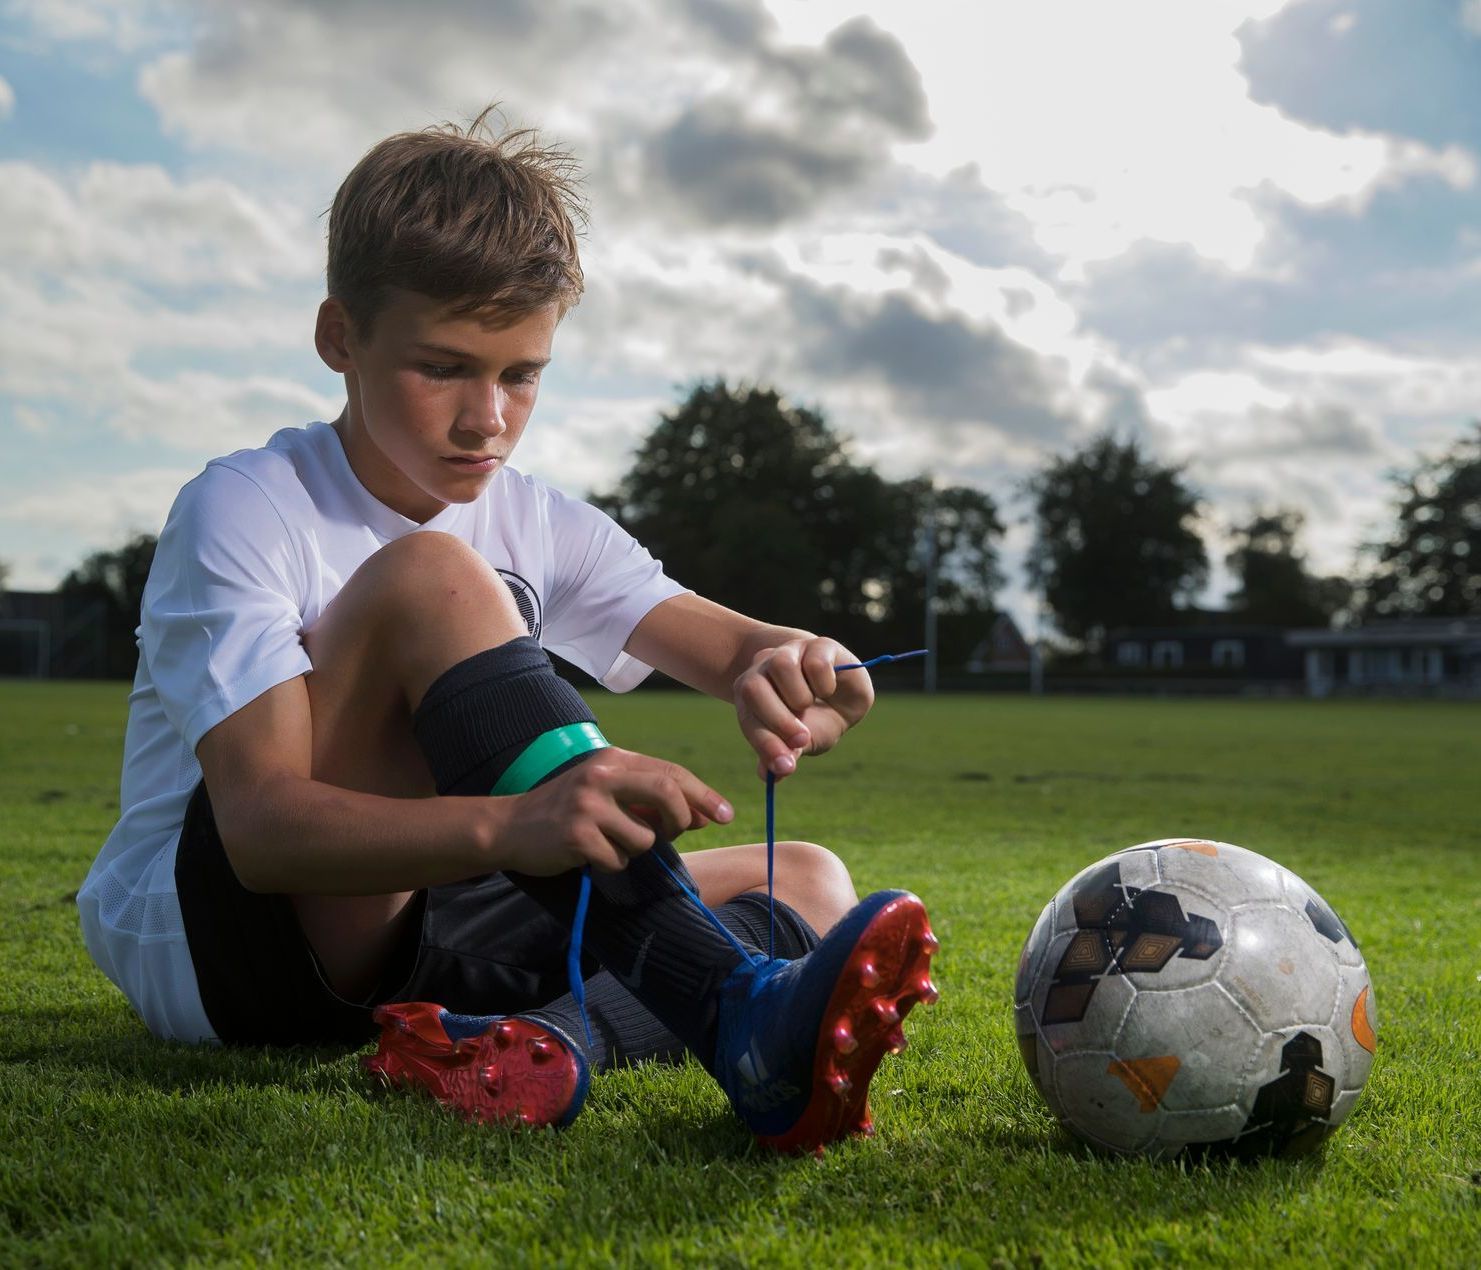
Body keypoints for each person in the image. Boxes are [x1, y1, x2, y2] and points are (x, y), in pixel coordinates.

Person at [76, 112, 938, 1152]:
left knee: (804, 879)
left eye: (521, 374)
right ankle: (729, 1010)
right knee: (436, 576)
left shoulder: (531, 512)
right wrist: (511, 830)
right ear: (339, 337)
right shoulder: (246, 505)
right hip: (234, 955)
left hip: (425, 916)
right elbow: (261, 833)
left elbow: (726, 643)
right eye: (443, 368)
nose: (486, 417)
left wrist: (798, 662)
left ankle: (542, 1041)